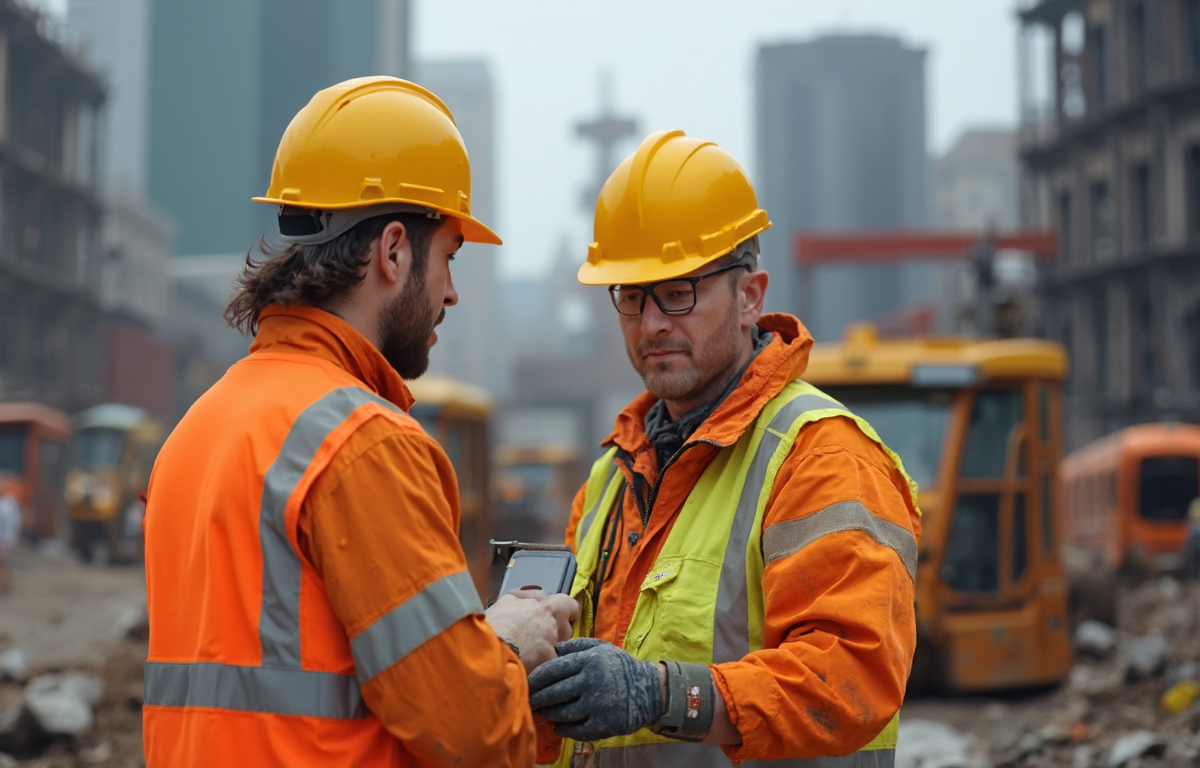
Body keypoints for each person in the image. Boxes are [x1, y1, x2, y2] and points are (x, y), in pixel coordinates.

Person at [142, 77, 578, 768]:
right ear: (394, 250)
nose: (452, 293)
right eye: (449, 258)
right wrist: (510, 642)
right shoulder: (363, 443)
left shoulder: (199, 427)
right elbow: (476, 733)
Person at [527, 130, 922, 767]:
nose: (652, 322)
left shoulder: (821, 458)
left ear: (750, 297)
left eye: (679, 291)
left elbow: (850, 678)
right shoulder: (611, 476)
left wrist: (662, 695)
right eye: (631, 295)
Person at [0, 474, 21, 594]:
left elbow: (13, 523)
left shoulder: (9, 504)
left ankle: (5, 586)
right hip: (4, 538)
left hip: (4, 539)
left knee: (3, 563)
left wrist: (10, 539)